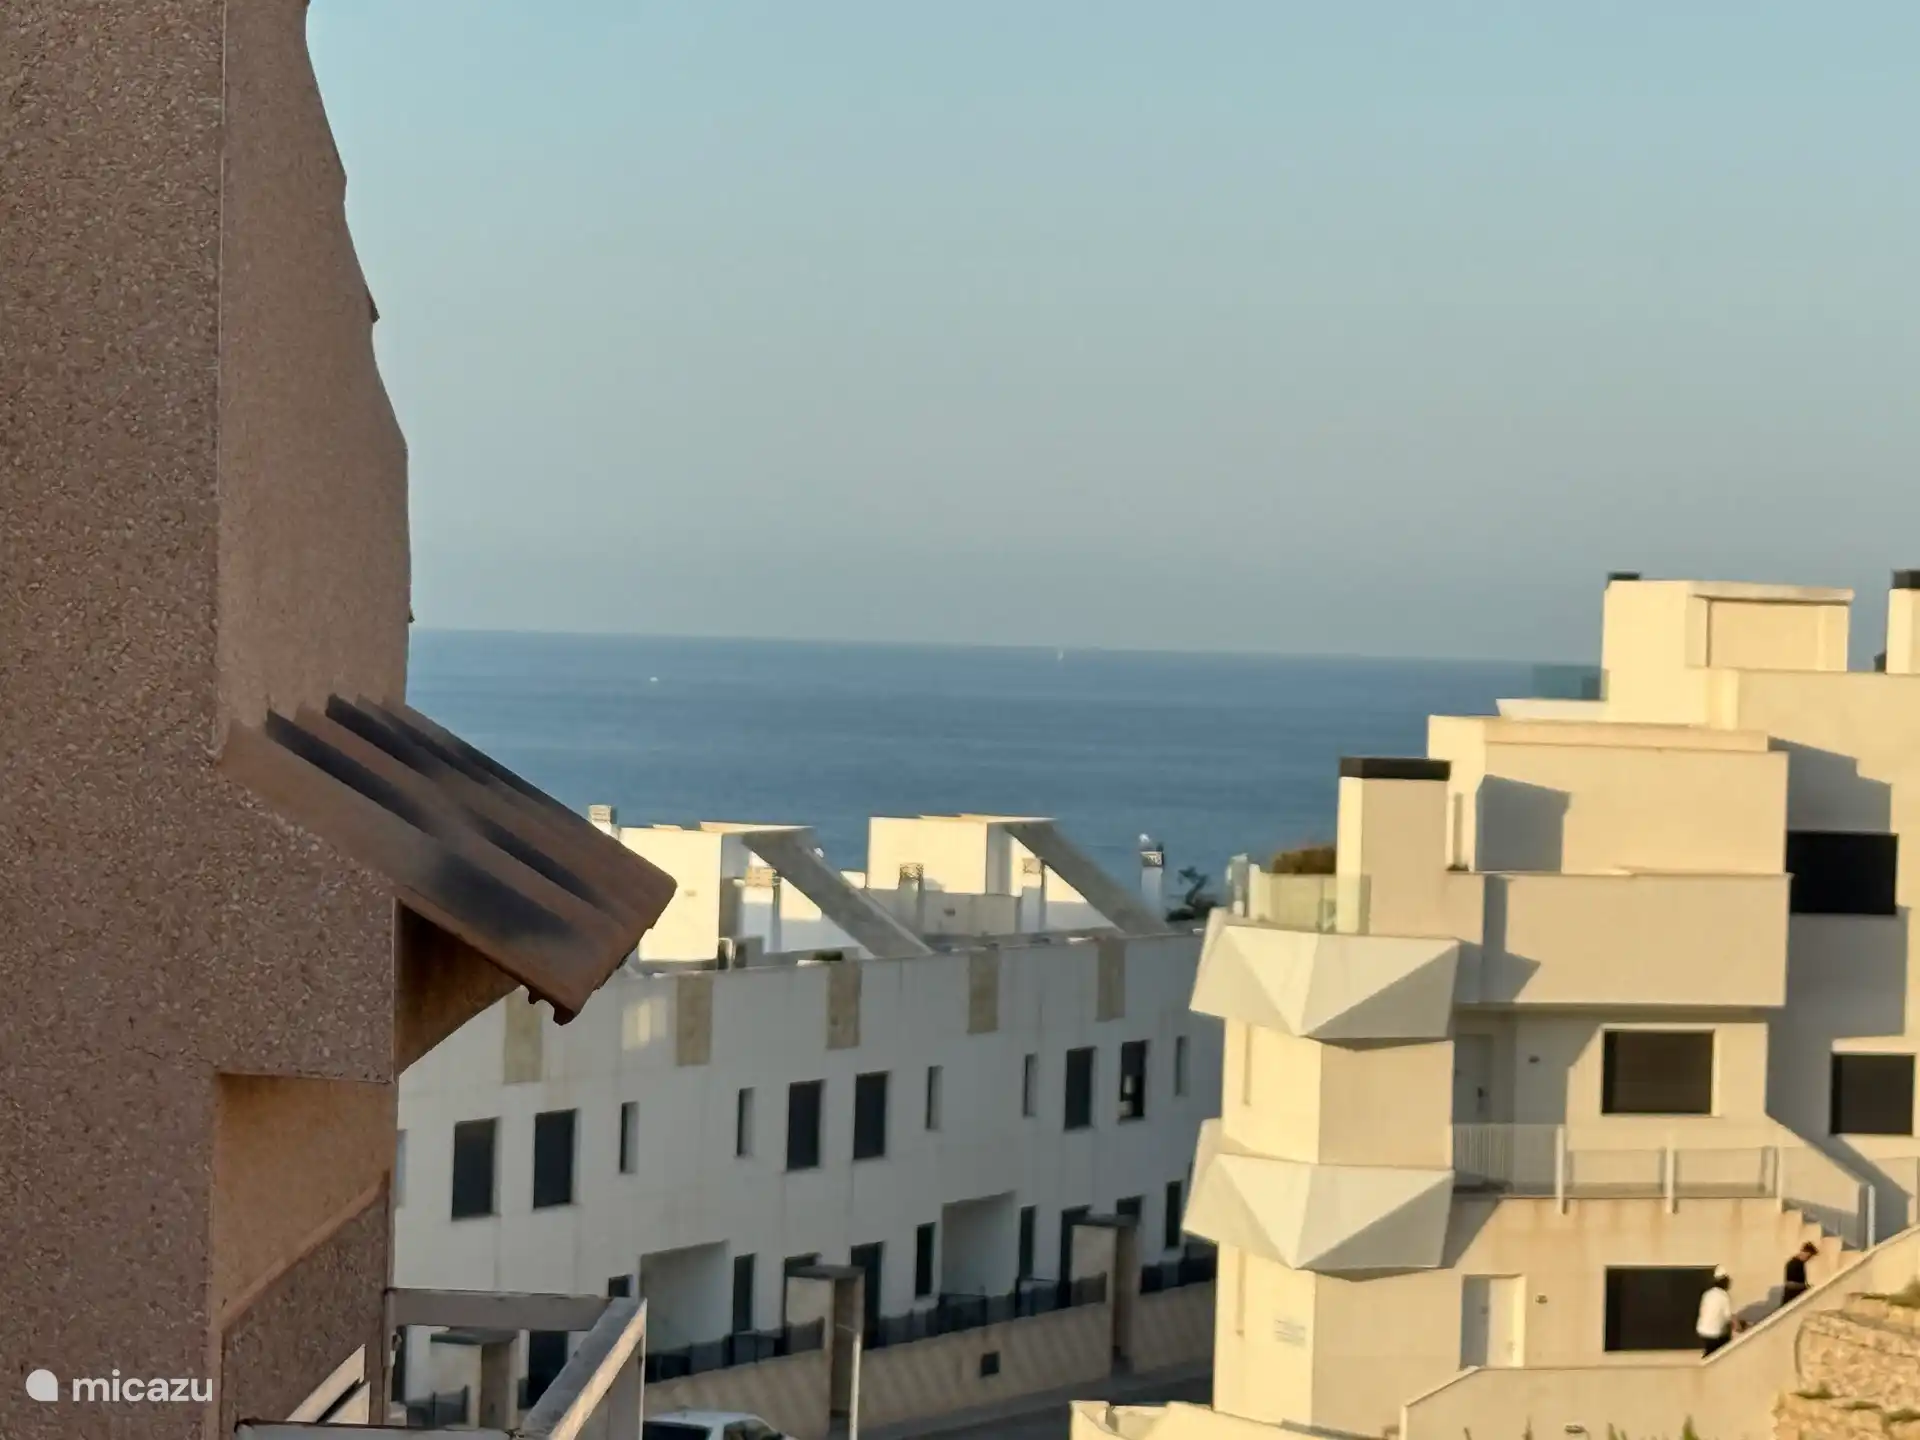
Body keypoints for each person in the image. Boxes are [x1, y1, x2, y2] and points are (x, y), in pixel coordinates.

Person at [1697, 1269, 1737, 1356]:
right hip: (1714, 1333)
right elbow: (1729, 1317)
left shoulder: (1708, 1293)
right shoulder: (1724, 1296)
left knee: (1710, 1350)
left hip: (1702, 1330)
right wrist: (1740, 1327)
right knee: (1722, 1347)